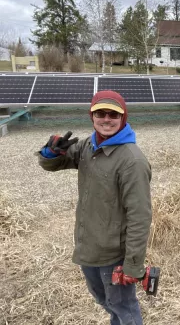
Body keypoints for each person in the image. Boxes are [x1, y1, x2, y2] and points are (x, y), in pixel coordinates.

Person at [37, 90, 152, 325]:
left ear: (123, 118)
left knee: (124, 307)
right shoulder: (88, 146)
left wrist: (133, 265)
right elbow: (54, 163)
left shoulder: (132, 161)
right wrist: (51, 152)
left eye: (113, 114)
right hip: (89, 247)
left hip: (113, 254)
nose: (107, 119)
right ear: (92, 116)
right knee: (106, 302)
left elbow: (140, 217)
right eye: (101, 113)